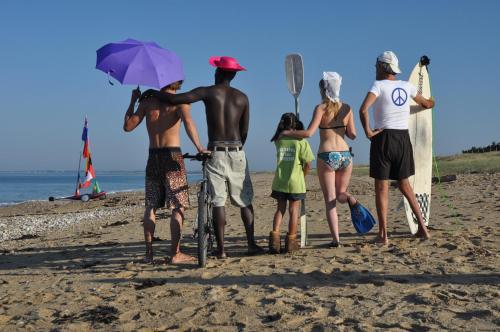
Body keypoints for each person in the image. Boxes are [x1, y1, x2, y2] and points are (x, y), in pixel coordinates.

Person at [140, 56, 263, 258]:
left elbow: (175, 99)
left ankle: (221, 250)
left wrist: (153, 92)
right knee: (244, 200)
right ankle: (251, 244)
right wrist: (237, 149)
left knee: (218, 202)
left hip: (215, 151)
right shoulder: (243, 98)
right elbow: (245, 131)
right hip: (237, 150)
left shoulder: (207, 92)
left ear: (218, 73)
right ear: (233, 75)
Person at [123, 80, 205, 264]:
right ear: (178, 82)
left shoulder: (146, 102)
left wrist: (133, 101)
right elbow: (188, 123)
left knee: (151, 206)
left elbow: (127, 126)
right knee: (178, 205)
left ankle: (149, 254)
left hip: (153, 156)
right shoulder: (180, 102)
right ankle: (175, 254)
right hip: (172, 155)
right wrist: (199, 147)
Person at [359, 51, 434, 245]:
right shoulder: (406, 86)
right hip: (402, 139)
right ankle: (423, 230)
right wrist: (432, 101)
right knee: (405, 185)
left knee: (381, 187)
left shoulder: (378, 85)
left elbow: (363, 109)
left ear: (384, 67)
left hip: (383, 138)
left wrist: (367, 131)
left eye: (377, 64)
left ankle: (383, 235)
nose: (374, 67)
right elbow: (426, 104)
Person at [281, 72, 357, 247]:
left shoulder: (321, 108)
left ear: (324, 89)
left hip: (327, 155)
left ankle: (336, 240)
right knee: (340, 194)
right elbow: (353, 135)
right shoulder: (347, 108)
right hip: (346, 155)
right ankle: (350, 198)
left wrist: (289, 133)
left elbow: (308, 133)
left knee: (330, 200)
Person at [269, 113, 314, 254]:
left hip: (280, 180)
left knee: (280, 209)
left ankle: (274, 241)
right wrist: (303, 175)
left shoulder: (278, 140)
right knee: (294, 210)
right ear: (296, 125)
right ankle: (291, 242)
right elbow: (308, 164)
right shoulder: (301, 142)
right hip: (296, 181)